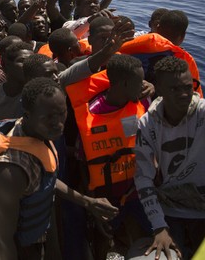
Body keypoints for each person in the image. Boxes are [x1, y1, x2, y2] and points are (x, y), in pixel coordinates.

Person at [0, 77, 118, 260]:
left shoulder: (36, 133)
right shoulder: (12, 170)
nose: (59, 123)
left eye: (62, 113)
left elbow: (45, 177)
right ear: (28, 114)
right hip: (16, 249)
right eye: (48, 117)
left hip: (36, 237)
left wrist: (87, 202)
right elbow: (3, 240)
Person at [134, 56, 205, 259]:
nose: (184, 94)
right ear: (159, 88)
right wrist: (159, 227)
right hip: (169, 212)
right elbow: (143, 178)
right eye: (174, 89)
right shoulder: (148, 124)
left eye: (188, 86)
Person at [65, 54, 151, 257]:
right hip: (106, 198)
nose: (145, 86)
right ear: (125, 83)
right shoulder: (92, 116)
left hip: (137, 192)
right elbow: (84, 165)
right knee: (103, 242)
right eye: (140, 82)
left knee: (146, 235)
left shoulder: (142, 104)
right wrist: (94, 205)